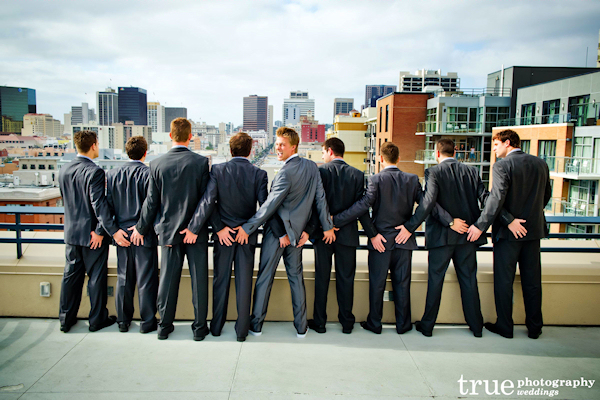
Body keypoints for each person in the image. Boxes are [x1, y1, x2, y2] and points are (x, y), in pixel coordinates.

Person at [334, 142, 452, 335]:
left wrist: (364, 231)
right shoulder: (412, 179)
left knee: (377, 285)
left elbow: (363, 207)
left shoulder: (375, 180)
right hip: (404, 241)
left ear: (381, 159)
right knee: (403, 285)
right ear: (398, 158)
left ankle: (375, 323)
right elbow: (425, 206)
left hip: (380, 242)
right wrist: (410, 227)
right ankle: (403, 325)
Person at [235, 127, 336, 337]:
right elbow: (320, 201)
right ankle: (301, 328)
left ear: (294, 146)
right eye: (277, 143)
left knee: (265, 278)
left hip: (277, 236)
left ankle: (256, 326)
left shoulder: (285, 173)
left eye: (282, 144)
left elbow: (269, 207)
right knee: (296, 279)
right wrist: (325, 227)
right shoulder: (312, 167)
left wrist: (247, 227)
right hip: (298, 236)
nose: (278, 148)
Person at [396, 138, 501, 337]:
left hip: (441, 238)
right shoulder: (471, 171)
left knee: (435, 281)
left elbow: (428, 203)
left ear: (437, 153)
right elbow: (486, 199)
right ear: (455, 153)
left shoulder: (433, 172)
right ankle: (476, 327)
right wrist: (479, 225)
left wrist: (412, 227)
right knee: (469, 281)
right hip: (468, 236)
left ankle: (427, 326)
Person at [129, 118, 210, 341]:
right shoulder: (201, 163)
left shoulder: (156, 164)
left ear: (171, 136)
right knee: (199, 282)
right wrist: (194, 228)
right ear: (190, 136)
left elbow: (151, 202)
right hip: (196, 234)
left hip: (168, 234)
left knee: (167, 281)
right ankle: (199, 329)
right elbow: (207, 200)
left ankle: (164, 327)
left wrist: (140, 228)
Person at [467, 129, 551, 339]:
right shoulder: (541, 163)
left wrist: (483, 225)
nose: (493, 149)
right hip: (533, 231)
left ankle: (505, 326)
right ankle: (535, 328)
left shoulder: (503, 165)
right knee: (532, 282)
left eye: (495, 145)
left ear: (507, 143)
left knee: (504, 281)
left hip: (508, 235)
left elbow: (496, 199)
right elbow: (546, 195)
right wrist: (529, 217)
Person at [184, 132, 268, 342]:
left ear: (230, 150)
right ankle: (241, 332)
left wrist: (219, 228)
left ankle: (217, 328)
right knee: (244, 282)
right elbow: (264, 209)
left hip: (223, 237)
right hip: (246, 237)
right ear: (251, 151)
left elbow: (208, 202)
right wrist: (247, 229)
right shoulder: (259, 174)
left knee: (220, 281)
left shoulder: (218, 171)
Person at [58, 130, 130, 333]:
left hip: (72, 234)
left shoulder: (63, 170)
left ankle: (65, 319)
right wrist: (103, 230)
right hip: (93, 237)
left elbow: (69, 202)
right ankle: (97, 319)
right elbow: (99, 205)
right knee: (96, 278)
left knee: (70, 278)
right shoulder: (95, 172)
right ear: (93, 146)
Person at [304, 137, 370, 334]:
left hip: (324, 236)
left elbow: (315, 205)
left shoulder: (320, 172)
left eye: (323, 152)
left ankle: (320, 322)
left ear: (330, 151)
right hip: (348, 235)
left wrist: (326, 225)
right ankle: (347, 323)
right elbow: (361, 209)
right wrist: (371, 233)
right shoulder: (358, 175)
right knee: (346, 279)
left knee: (321, 279)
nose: (323, 156)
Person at [106, 136, 158, 334]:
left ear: (127, 152)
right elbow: (151, 204)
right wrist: (141, 228)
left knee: (123, 279)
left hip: (121, 235)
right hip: (143, 234)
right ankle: (147, 322)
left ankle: (123, 321)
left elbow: (108, 205)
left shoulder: (112, 174)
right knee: (146, 280)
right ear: (145, 153)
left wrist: (115, 231)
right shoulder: (149, 174)